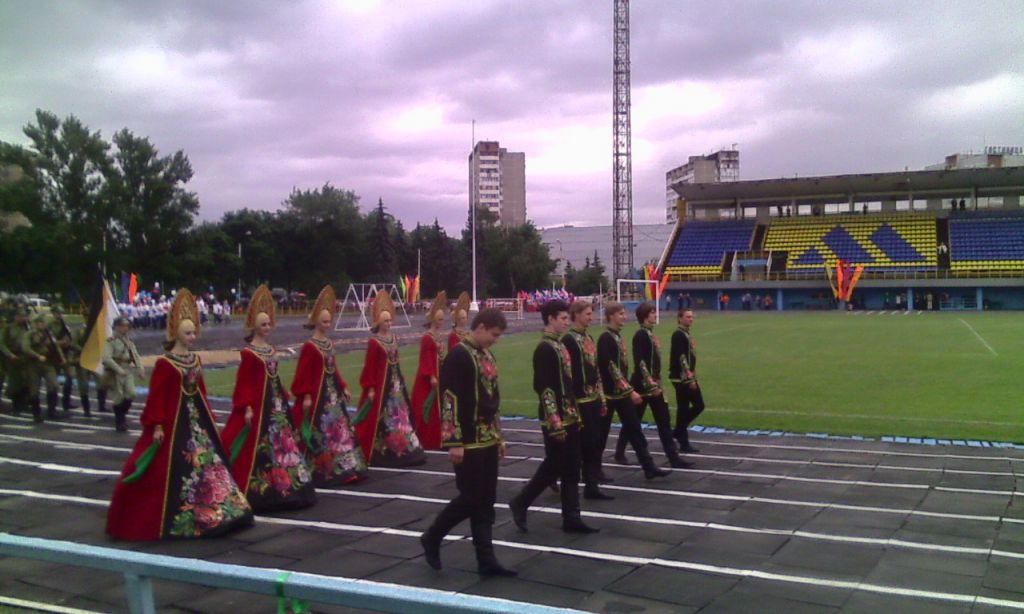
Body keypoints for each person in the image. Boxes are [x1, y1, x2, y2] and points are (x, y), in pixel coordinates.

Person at [106, 288, 253, 541]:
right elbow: (158, 397)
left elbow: (201, 392)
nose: (192, 337)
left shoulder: (193, 359)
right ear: (176, 333)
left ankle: (217, 508)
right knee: (166, 469)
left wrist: (211, 420)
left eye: (194, 332)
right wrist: (157, 425)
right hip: (174, 421)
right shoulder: (166, 363)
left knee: (207, 464)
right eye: (188, 333)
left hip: (195, 421)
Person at [419, 308, 516, 576]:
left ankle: (486, 559)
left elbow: (494, 399)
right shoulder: (459, 356)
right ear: (481, 326)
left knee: (486, 500)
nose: (495, 340)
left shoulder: (486, 354)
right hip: (468, 439)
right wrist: (454, 441)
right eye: (493, 334)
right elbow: (449, 399)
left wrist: (499, 435)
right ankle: (433, 536)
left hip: (486, 438)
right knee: (472, 497)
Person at [509, 300, 600, 534]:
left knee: (571, 466)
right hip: (555, 417)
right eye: (562, 318)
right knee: (554, 465)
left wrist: (573, 412)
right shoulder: (545, 348)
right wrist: (555, 419)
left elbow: (567, 384)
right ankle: (522, 501)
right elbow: (544, 387)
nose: (566, 322)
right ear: (550, 318)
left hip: (568, 413)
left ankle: (571, 517)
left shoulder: (559, 345)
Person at [222, 285, 316, 511]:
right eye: (263, 324)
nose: (266, 328)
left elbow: (274, 376)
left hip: (276, 405)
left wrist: (284, 392)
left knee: (283, 443)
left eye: (268, 324)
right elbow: (244, 382)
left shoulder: (270, 350)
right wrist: (246, 407)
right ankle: (262, 486)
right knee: (260, 445)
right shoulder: (249, 352)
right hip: (258, 403)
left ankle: (287, 482)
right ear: (254, 325)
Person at [290, 285, 368, 486]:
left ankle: (345, 466)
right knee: (322, 429)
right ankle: (323, 467)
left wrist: (343, 386)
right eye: (324, 321)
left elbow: (334, 368)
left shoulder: (328, 344)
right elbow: (304, 373)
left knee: (338, 429)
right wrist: (306, 395)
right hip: (317, 396)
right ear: (316, 321)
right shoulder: (310, 346)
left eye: (329, 321)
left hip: (332, 395)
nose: (327, 324)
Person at [597, 302, 670, 479]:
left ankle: (648, 467)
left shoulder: (617, 337)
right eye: (621, 314)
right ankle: (593, 469)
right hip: (610, 394)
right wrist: (630, 390)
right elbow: (611, 368)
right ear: (611, 316)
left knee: (635, 429)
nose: (624, 316)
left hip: (621, 394)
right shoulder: (606, 338)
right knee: (600, 435)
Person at [355, 291, 426, 467]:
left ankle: (405, 446)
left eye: (389, 320)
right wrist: (370, 387)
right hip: (381, 385)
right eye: (385, 320)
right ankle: (382, 449)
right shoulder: (374, 342)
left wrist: (400, 380)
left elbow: (396, 362)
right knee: (382, 416)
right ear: (378, 321)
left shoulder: (394, 338)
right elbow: (370, 366)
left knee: (400, 415)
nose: (388, 323)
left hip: (395, 385)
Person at [616, 303, 690, 468]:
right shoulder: (640, 335)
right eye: (652, 313)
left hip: (655, 384)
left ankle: (673, 457)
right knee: (633, 421)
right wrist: (651, 384)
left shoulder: (650, 334)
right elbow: (641, 362)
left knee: (664, 420)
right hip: (642, 386)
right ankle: (620, 452)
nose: (655, 315)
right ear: (644, 316)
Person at [562, 300, 614, 499]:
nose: (591, 318)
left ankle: (591, 485)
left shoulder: (589, 338)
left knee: (593, 443)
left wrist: (601, 397)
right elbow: (568, 374)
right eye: (587, 314)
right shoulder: (569, 340)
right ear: (576, 315)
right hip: (580, 401)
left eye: (591, 314)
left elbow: (596, 370)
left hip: (592, 398)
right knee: (579, 448)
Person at [411, 291, 448, 450]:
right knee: (426, 407)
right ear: (433, 319)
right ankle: (426, 438)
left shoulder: (437, 336)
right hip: (428, 378)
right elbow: (425, 359)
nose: (441, 322)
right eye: (439, 319)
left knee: (437, 408)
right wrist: (431, 375)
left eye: (442, 319)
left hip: (438, 373)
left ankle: (437, 436)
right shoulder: (428, 337)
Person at [670, 309, 704, 454]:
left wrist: (694, 376)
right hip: (680, 378)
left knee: (686, 408)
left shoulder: (686, 333)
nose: (691, 319)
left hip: (687, 377)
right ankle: (680, 435)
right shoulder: (678, 335)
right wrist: (690, 379)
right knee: (695, 405)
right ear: (680, 318)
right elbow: (682, 358)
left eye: (692, 316)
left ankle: (680, 434)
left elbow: (690, 359)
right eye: (688, 317)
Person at [102, 316, 144, 432]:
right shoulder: (111, 341)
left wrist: (140, 368)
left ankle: (122, 414)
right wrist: (118, 370)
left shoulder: (129, 342)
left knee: (131, 393)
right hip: (115, 371)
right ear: (117, 327)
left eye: (126, 326)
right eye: (123, 326)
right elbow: (106, 358)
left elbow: (135, 356)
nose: (126, 328)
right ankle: (120, 420)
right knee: (118, 396)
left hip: (127, 370)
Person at [3, 306, 33, 418]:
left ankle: (23, 403)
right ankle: (16, 406)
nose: (23, 318)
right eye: (21, 316)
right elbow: (2, 343)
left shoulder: (27, 327)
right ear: (15, 317)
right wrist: (9, 354)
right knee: (15, 381)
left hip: (25, 356)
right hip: (13, 356)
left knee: (26, 380)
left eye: (24, 316)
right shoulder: (9, 328)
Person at [50, 307, 80, 413]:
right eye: (57, 313)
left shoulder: (64, 325)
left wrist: (69, 343)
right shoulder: (50, 326)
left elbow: (69, 338)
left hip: (66, 353)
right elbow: (50, 340)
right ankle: (52, 405)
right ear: (53, 313)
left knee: (70, 377)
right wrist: (60, 342)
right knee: (53, 380)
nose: (59, 315)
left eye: (60, 313)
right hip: (54, 355)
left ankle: (66, 402)